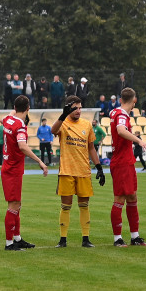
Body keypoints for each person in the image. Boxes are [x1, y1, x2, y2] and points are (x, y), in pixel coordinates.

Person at [49, 97, 102, 247]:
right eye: (75, 108)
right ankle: (63, 240)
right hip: (66, 171)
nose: (78, 111)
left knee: (84, 205)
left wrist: (99, 167)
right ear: (68, 109)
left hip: (84, 171)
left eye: (80, 108)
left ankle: (86, 239)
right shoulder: (63, 123)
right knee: (66, 206)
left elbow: (91, 147)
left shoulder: (87, 124)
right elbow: (53, 130)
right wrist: (62, 115)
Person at [1, 95, 47, 250]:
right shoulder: (20, 126)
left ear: (14, 108)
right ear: (28, 108)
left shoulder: (8, 120)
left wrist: (14, 111)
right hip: (13, 169)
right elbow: (22, 145)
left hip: (9, 166)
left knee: (17, 204)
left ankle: (17, 238)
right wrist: (39, 161)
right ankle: (9, 243)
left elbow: (4, 119)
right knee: (13, 205)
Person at [109, 88, 146, 246]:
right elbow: (120, 130)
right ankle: (117, 238)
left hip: (127, 160)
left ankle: (135, 237)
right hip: (121, 162)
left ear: (120, 99)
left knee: (132, 197)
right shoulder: (121, 115)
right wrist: (139, 141)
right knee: (119, 199)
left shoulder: (115, 112)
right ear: (134, 101)